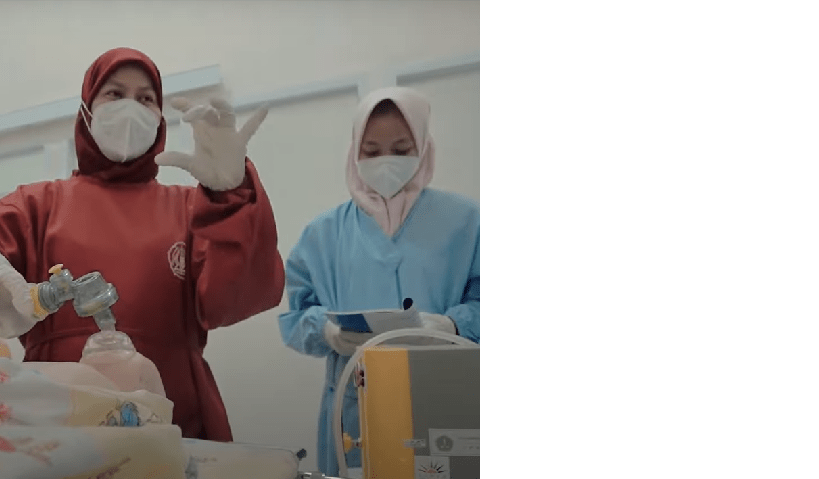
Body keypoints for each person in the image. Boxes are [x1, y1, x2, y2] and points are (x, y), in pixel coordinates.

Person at [0, 47, 285, 441]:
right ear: (86, 110)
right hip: (58, 424)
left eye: (146, 98)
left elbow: (235, 299)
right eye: (115, 94)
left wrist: (231, 198)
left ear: (160, 118)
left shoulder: (193, 209)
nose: (131, 108)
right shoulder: (36, 206)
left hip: (174, 415)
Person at [278, 86, 480, 474]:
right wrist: (326, 331)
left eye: (401, 150)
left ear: (423, 147)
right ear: (355, 151)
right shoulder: (324, 234)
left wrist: (453, 325)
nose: (386, 162)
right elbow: (296, 315)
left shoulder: (466, 222)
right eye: (371, 152)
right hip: (355, 406)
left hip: (445, 393)